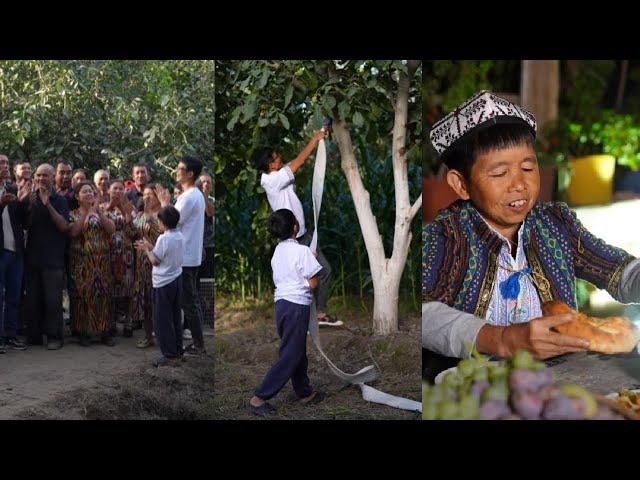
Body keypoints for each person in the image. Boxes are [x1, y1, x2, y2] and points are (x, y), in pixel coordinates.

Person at [422, 91, 640, 374]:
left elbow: (619, 271)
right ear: (461, 184)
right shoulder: (445, 237)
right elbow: (424, 315)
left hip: (558, 381)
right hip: (471, 389)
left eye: (528, 166)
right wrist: (500, 339)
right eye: (500, 173)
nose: (520, 184)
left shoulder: (555, 225)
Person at [254, 130, 341, 326]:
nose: (281, 159)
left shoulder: (275, 174)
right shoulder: (273, 180)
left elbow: (293, 163)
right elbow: (298, 162)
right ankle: (314, 314)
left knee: (315, 274)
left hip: (300, 234)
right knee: (321, 273)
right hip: (297, 238)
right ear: (270, 165)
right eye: (277, 158)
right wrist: (315, 139)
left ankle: (313, 314)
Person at [250, 209, 326, 417]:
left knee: (297, 349)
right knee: (291, 354)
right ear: (295, 227)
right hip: (296, 306)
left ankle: (304, 392)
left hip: (281, 305)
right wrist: (312, 259)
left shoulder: (277, 251)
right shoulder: (302, 252)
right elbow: (313, 282)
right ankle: (259, 398)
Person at [156, 157, 206, 355]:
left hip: (184, 257)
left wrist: (164, 203)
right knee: (189, 300)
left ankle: (199, 344)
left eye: (180, 169)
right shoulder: (194, 195)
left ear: (190, 174)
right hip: (188, 255)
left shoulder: (189, 197)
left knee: (189, 301)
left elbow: (170, 221)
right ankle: (197, 342)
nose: (177, 171)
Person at [23, 164, 71, 350]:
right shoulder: (30, 198)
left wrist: (47, 203)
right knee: (33, 299)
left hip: (53, 259)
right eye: (39, 175)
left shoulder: (59, 200)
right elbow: (25, 225)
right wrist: (30, 202)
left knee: (53, 301)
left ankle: (54, 337)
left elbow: (64, 227)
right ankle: (34, 336)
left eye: (46, 175)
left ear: (53, 178)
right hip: (33, 258)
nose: (42, 179)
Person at [135, 205, 184, 367]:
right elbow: (165, 253)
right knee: (175, 317)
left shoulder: (164, 238)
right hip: (176, 279)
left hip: (163, 282)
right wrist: (151, 247)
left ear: (163, 222)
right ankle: (178, 350)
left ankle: (169, 354)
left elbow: (155, 260)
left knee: (163, 320)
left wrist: (146, 251)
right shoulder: (179, 236)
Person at [68, 182, 116, 346]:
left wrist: (98, 212)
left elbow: (111, 230)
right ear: (77, 196)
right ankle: (83, 332)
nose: (89, 194)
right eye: (85, 192)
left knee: (103, 295)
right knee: (82, 296)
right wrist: (87, 212)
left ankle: (104, 331)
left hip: (102, 262)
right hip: (81, 263)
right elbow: (74, 232)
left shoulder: (102, 212)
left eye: (91, 191)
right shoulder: (73, 214)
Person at [0, 155, 28, 353]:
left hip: (16, 251)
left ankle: (9, 336)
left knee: (13, 296)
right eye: (1, 163)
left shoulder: (12, 189)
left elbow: (23, 221)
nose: (5, 166)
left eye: (7, 163)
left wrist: (25, 202)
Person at [103, 179, 136, 337]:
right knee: (110, 289)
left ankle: (129, 321)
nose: (117, 192)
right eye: (114, 189)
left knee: (127, 288)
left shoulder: (130, 208)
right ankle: (110, 323)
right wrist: (110, 207)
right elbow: (99, 227)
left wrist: (123, 210)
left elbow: (133, 233)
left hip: (126, 254)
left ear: (124, 191)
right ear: (109, 191)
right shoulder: (102, 207)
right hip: (108, 253)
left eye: (120, 189)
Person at [131, 184, 162, 348]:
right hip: (141, 264)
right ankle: (148, 336)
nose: (147, 197)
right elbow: (132, 232)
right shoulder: (140, 215)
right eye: (145, 194)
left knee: (157, 301)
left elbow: (164, 236)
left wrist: (151, 218)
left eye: (151, 194)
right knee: (145, 302)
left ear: (158, 197)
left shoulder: (164, 214)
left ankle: (163, 337)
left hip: (158, 263)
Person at [197, 173, 214, 280]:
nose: (206, 184)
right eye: (203, 181)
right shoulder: (192, 198)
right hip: (195, 244)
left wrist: (205, 197)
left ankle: (206, 297)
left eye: (208, 182)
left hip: (209, 243)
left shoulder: (212, 200)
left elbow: (209, 213)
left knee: (207, 275)